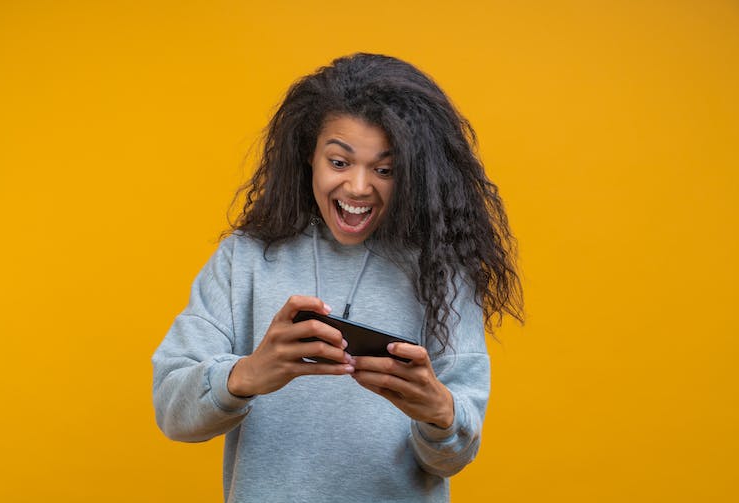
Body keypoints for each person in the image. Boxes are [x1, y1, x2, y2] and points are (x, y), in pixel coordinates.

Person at [152, 53, 523, 503]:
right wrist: (248, 374)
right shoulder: (244, 258)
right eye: (340, 162)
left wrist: (440, 414)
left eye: (384, 169)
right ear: (310, 156)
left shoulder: (440, 270)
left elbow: (452, 458)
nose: (359, 188)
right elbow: (172, 412)